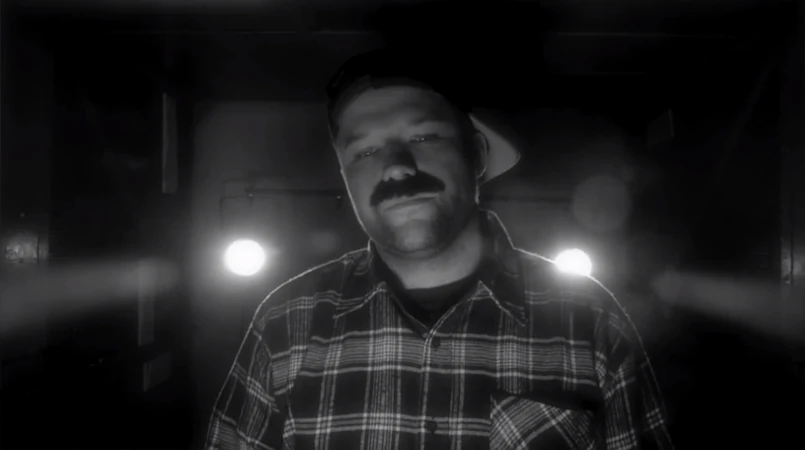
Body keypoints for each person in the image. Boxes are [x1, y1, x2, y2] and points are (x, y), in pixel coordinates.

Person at [205, 47, 673, 450]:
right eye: (364, 152)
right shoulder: (286, 323)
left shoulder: (589, 321)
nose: (396, 168)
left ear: (478, 154)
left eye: (424, 137)